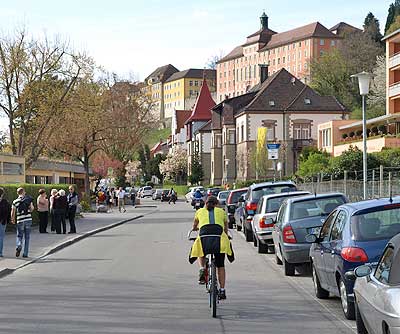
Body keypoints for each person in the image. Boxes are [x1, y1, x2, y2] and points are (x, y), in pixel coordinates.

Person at [191, 196, 231, 300]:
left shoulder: (199, 211)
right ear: (217, 204)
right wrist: (226, 235)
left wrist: (197, 228)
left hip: (204, 239)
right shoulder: (221, 212)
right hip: (219, 242)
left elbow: (194, 226)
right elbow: (225, 228)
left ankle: (202, 268)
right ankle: (222, 290)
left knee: (200, 250)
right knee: (220, 266)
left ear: (205, 203)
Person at [11, 187, 34, 258]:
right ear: (23, 192)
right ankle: (25, 254)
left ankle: (19, 245)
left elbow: (13, 212)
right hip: (28, 220)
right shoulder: (28, 200)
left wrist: (13, 219)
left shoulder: (15, 201)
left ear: (17, 193)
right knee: (27, 237)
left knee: (19, 236)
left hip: (20, 220)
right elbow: (32, 209)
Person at [0, 188, 11, 257]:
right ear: (2, 194)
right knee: (1, 237)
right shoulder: (5, 202)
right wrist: (7, 220)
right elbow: (8, 211)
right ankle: (0, 252)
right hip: (3, 221)